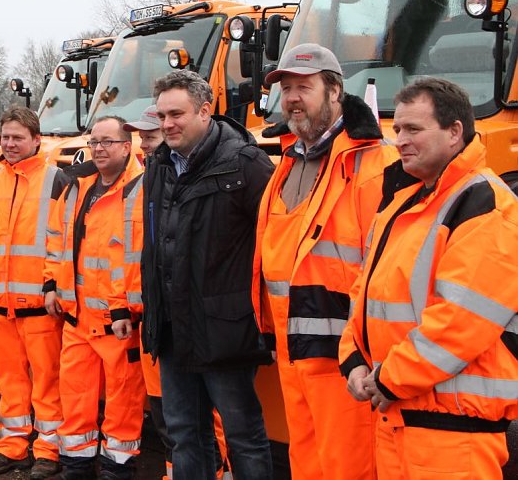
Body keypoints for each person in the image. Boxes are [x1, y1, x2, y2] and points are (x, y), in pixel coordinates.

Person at [340, 78, 518, 479]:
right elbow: (363, 293)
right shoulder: (406, 203)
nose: (399, 139)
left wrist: (386, 379)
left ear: (455, 132)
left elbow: (460, 321)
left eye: (413, 129)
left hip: (452, 437)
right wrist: (352, 359)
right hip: (397, 419)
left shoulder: (485, 204)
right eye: (398, 129)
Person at [252, 43, 393, 480]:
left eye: (304, 87)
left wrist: (370, 354)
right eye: (287, 88)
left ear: (334, 92)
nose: (292, 97)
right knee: (306, 463)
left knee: (349, 466)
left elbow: (388, 264)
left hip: (344, 357)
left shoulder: (372, 162)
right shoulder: (289, 159)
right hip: (293, 350)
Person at [141, 69, 275, 479]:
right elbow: (156, 245)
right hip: (172, 325)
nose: (166, 124)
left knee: (243, 435)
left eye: (176, 114)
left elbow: (272, 241)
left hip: (225, 328)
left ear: (205, 110)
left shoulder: (245, 163)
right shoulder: (159, 165)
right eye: (161, 116)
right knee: (184, 432)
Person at [0, 105, 69, 479]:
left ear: (36, 141)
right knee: (9, 384)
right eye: (5, 137)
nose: (9, 144)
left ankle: (49, 450)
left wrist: (55, 287)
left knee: (48, 383)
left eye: (17, 138)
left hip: (41, 310)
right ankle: (12, 447)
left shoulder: (58, 181)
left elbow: (63, 244)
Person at [44, 116, 145, 480]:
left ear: (126, 145)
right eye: (95, 141)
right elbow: (56, 237)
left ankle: (117, 468)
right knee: (75, 396)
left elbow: (136, 257)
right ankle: (77, 464)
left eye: (107, 142)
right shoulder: (77, 186)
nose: (99, 148)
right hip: (76, 315)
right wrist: (50, 284)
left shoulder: (141, 188)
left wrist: (123, 306)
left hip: (118, 319)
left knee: (123, 400)